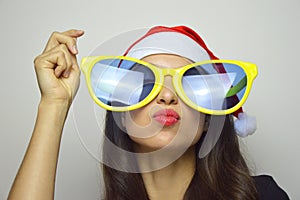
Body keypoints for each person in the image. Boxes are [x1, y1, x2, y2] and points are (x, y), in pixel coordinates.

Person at [8, 26, 289, 200]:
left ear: (208, 121)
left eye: (188, 85)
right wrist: (54, 105)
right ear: (121, 112)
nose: (167, 95)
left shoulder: (261, 196)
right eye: (145, 83)